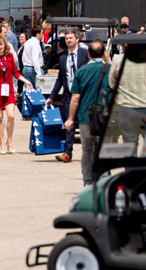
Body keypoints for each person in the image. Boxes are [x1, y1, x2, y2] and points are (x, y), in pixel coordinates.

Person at [64, 41, 111, 185]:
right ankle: (104, 179)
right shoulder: (110, 70)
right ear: (104, 53)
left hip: (86, 117)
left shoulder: (81, 71)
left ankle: (88, 181)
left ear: (88, 54)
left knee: (87, 150)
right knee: (103, 149)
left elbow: (75, 98)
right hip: (105, 117)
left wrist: (70, 118)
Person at [0, 36, 33, 154]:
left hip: (8, 90)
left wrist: (26, 81)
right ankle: (1, 143)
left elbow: (15, 72)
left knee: (11, 116)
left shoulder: (9, 57)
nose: (1, 47)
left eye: (2, 44)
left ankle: (9, 141)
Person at [46, 31, 89, 163]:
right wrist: (52, 97)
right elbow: (60, 80)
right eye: (66, 38)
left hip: (84, 95)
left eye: (71, 38)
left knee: (85, 125)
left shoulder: (84, 55)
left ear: (77, 40)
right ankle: (67, 153)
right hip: (68, 95)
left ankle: (89, 154)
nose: (68, 40)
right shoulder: (62, 58)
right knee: (69, 124)